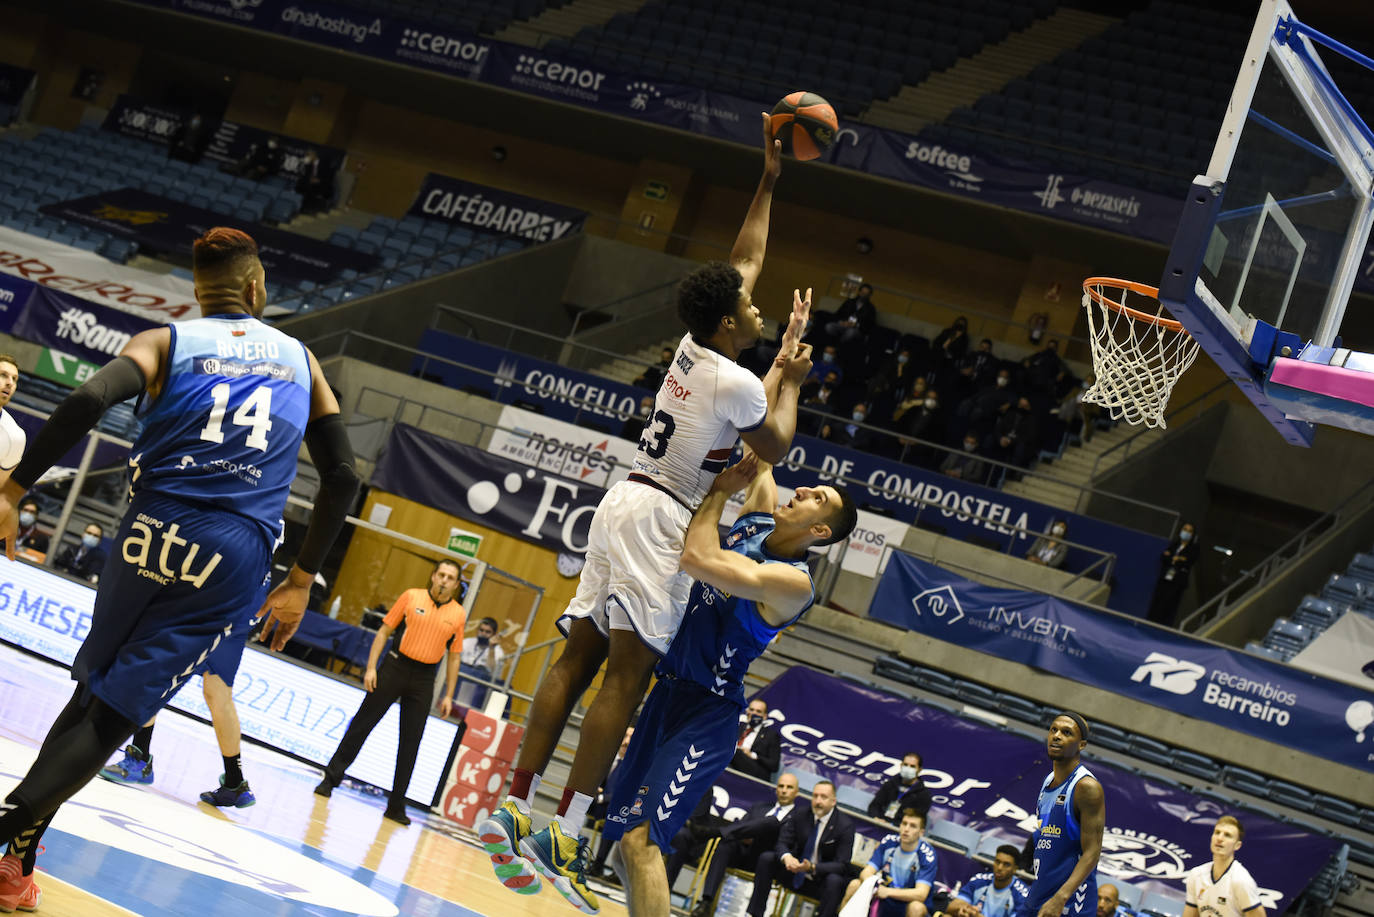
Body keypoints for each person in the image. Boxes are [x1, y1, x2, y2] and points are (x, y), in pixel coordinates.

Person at [480, 114, 811, 915]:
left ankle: (518, 806)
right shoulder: (737, 378)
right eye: (754, 312)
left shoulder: (696, 344)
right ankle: (563, 823)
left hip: (620, 496)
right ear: (732, 322)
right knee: (623, 673)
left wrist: (768, 180)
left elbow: (745, 259)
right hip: (661, 517)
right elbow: (773, 444)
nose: (760, 309)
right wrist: (791, 370)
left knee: (573, 655)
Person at [0, 227, 359, 913]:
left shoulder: (168, 341)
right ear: (256, 288)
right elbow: (342, 474)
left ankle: (15, 864)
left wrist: (12, 491)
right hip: (232, 549)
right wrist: (302, 577)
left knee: (89, 692)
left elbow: (84, 402)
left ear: (199, 291)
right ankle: (6, 845)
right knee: (114, 714)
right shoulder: (301, 358)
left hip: (148, 528)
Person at [590, 451, 856, 917]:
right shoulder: (755, 524)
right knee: (626, 844)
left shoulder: (793, 583)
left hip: (707, 713)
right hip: (665, 695)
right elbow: (767, 448)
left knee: (641, 840)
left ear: (820, 532)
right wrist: (784, 377)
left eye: (818, 499)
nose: (803, 491)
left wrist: (718, 492)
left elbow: (696, 558)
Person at [314, 560, 467, 825]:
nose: (444, 580)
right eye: (441, 574)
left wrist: (449, 694)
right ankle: (330, 779)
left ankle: (396, 805)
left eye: (450, 577)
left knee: (411, 742)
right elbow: (384, 631)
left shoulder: (458, 614)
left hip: (424, 678)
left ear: (456, 585)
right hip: (395, 666)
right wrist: (371, 667)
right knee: (362, 725)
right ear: (433, 576)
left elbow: (454, 657)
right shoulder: (411, 596)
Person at [98, 609, 262, 808]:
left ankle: (140, 758)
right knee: (218, 692)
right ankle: (235, 782)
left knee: (159, 668)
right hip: (248, 605)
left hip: (219, 605)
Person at [673, 773, 804, 917]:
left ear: (796, 792)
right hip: (743, 852)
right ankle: (706, 903)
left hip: (767, 859)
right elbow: (739, 828)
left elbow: (789, 844)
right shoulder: (759, 807)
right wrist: (744, 836)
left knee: (771, 821)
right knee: (725, 843)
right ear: (776, 789)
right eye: (781, 786)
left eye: (789, 787)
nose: (784, 790)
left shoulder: (798, 818)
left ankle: (713, 832)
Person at [1012, 713, 1105, 917]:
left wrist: (1061, 897)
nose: (1056, 736)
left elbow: (1093, 852)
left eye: (1066, 732)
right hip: (1040, 893)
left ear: (1081, 745)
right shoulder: (1048, 781)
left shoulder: (1087, 787)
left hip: (1069, 903)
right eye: (1053, 730)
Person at [747, 780, 855, 917]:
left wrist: (812, 867)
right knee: (767, 858)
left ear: (833, 801)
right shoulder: (801, 814)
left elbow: (842, 865)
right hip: (793, 871)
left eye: (823, 797)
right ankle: (754, 913)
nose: (818, 801)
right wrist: (787, 857)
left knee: (835, 881)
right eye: (815, 796)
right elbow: (782, 842)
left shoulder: (844, 826)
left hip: (819, 880)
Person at [838, 808, 938, 917]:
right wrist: (875, 886)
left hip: (906, 902)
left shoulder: (927, 854)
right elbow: (866, 873)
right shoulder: (889, 842)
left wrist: (887, 891)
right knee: (854, 885)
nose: (906, 829)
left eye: (913, 826)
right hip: (882, 895)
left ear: (921, 832)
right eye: (904, 824)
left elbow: (921, 894)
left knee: (916, 907)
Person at [1182, 816, 1265, 917]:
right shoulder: (1196, 874)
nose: (1220, 838)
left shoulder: (1241, 881)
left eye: (1227, 835)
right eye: (1217, 832)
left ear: (1237, 845)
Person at [949, 845, 1032, 917]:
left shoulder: (1022, 894)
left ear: (1015, 869)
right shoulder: (980, 879)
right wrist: (964, 909)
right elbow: (951, 906)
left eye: (1006, 865)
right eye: (997, 862)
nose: (999, 868)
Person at [1147, 523, 1197, 626]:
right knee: (1157, 601)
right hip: (1165, 577)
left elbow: (1187, 562)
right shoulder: (1174, 544)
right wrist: (1176, 559)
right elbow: (1164, 557)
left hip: (1177, 581)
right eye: (1185, 529)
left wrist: (1174, 558)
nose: (1186, 532)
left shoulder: (1193, 549)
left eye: (1189, 531)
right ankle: (1149, 623)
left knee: (1168, 605)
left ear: (1193, 534)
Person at [868, 752, 932, 825]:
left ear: (919, 769)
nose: (908, 768)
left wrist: (893, 825)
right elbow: (875, 805)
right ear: (901, 765)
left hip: (900, 830)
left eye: (912, 766)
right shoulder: (890, 784)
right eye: (905, 765)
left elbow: (916, 820)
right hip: (878, 824)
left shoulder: (924, 795)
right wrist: (876, 818)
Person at [457, 615, 506, 710]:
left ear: (494, 634)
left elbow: (493, 673)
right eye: (481, 630)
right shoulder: (466, 642)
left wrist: (491, 648)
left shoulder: (498, 652)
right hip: (460, 684)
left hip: (480, 691)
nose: (483, 634)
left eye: (488, 632)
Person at [731, 697, 781, 781]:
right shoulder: (737, 726)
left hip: (753, 771)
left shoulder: (771, 735)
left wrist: (752, 755)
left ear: (765, 716)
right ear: (747, 711)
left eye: (758, 711)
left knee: (735, 751)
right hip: (731, 764)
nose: (754, 713)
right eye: (751, 709)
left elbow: (774, 765)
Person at [296, 150, 334, 215]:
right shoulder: (309, 164)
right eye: (307, 155)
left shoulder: (324, 163)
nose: (307, 157)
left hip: (322, 184)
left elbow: (328, 177)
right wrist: (310, 179)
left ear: (314, 155)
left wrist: (319, 180)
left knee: (311, 189)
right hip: (311, 184)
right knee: (302, 185)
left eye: (309, 155)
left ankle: (311, 209)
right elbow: (306, 175)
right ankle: (302, 209)